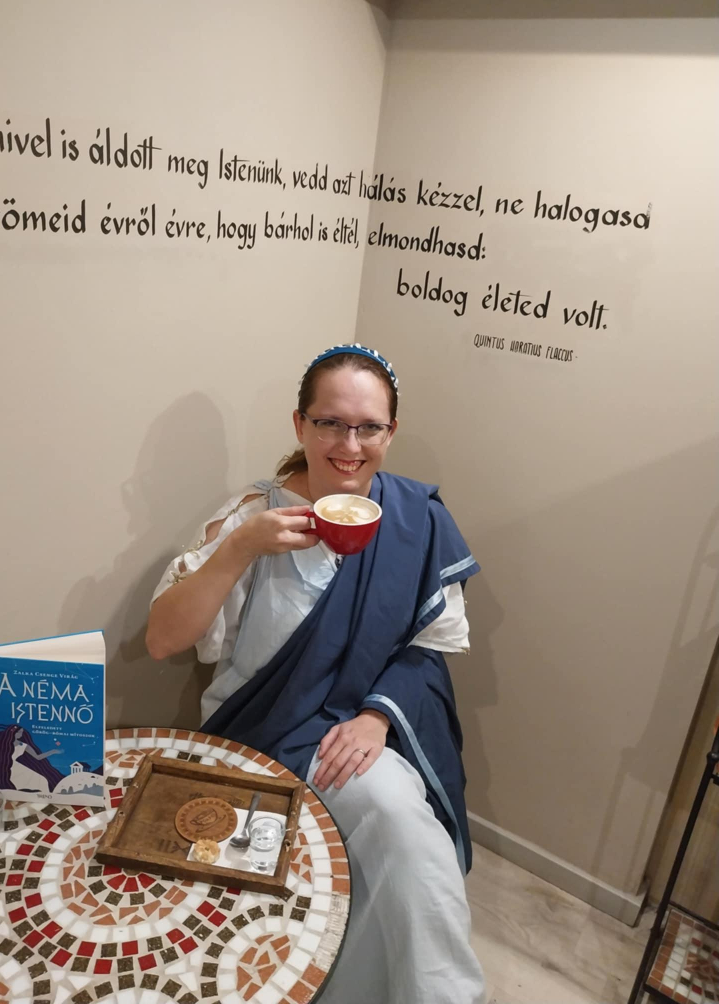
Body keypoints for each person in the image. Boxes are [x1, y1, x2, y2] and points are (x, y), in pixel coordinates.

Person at [146, 344, 486, 1004]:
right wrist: (243, 547)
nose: (349, 445)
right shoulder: (251, 515)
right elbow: (163, 639)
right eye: (330, 423)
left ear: (391, 432)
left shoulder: (418, 518)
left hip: (349, 736)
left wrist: (378, 714)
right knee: (382, 815)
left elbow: (430, 647)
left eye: (369, 427)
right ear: (300, 425)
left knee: (398, 821)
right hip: (258, 738)